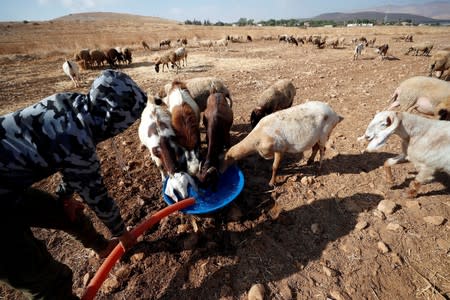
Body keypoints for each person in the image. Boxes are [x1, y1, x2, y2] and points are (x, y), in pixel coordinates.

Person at [0, 69, 147, 299]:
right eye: (125, 123)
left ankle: (103, 248)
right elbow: (97, 196)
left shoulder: (73, 105)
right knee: (49, 282)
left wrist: (65, 197)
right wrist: (123, 234)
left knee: (68, 213)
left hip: (7, 189)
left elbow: (66, 159)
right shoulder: (79, 140)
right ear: (112, 119)